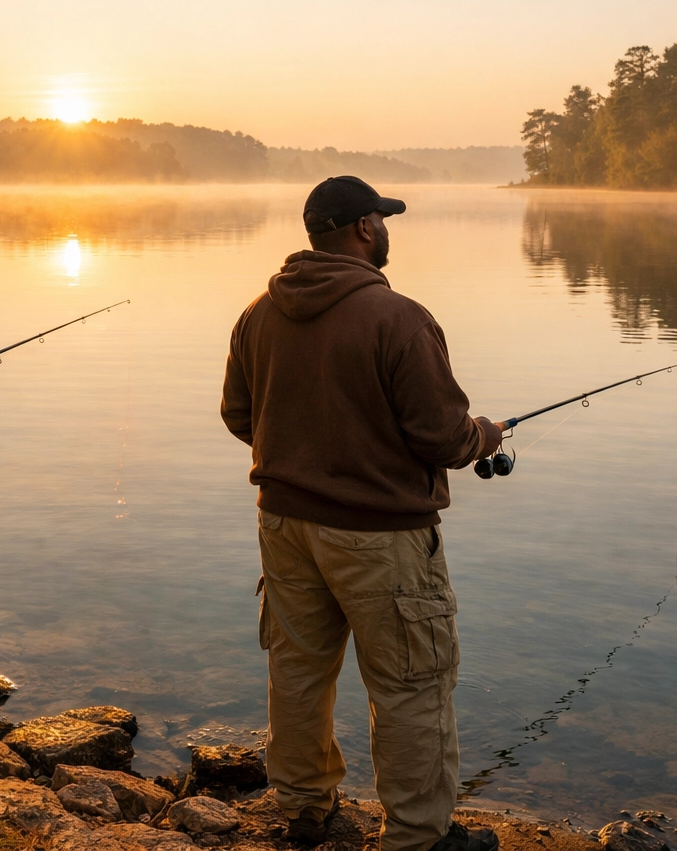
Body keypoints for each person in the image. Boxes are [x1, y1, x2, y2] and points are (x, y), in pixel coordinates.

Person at [220, 176, 502, 851]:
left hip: (284, 527)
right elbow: (441, 436)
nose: (387, 229)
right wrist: (483, 437)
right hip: (383, 538)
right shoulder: (399, 318)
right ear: (363, 229)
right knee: (411, 683)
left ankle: (304, 806)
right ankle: (418, 836)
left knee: (297, 669)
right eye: (383, 218)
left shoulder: (260, 313)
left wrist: (302, 450)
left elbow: (238, 416)